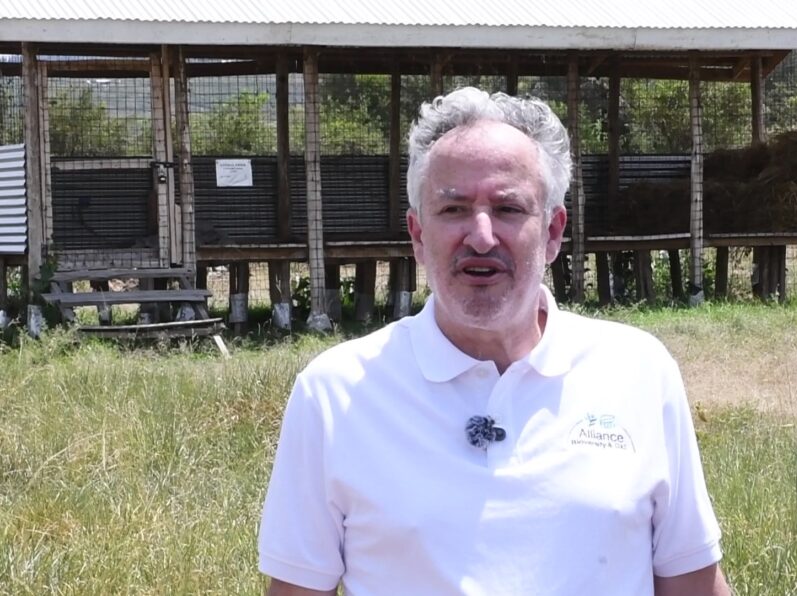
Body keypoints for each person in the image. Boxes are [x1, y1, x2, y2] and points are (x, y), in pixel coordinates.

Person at [258, 87, 729, 596]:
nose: (481, 236)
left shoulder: (638, 371)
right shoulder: (335, 395)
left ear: (552, 232)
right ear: (418, 235)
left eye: (507, 209)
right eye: (454, 209)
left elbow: (692, 582)